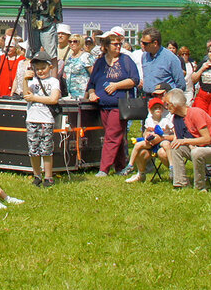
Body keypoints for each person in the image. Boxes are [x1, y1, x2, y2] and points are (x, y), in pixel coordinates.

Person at [85, 33, 140, 177]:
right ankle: (121, 166)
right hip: (103, 105)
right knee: (117, 136)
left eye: (119, 44)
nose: (118, 47)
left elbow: (134, 80)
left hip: (119, 104)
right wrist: (91, 93)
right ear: (106, 46)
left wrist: (116, 85)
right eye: (115, 44)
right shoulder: (100, 62)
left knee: (112, 135)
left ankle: (104, 168)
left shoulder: (125, 60)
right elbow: (92, 83)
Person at [164, 88, 211, 191]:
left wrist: (186, 141)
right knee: (176, 148)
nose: (166, 107)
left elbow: (207, 139)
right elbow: (181, 140)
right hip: (196, 148)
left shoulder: (195, 113)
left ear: (175, 104)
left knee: (197, 152)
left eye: (167, 104)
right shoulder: (177, 118)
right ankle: (180, 183)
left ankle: (200, 187)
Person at [22, 51, 60, 188]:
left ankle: (48, 177)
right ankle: (37, 175)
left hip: (46, 120)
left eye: (43, 68)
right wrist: (25, 79)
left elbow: (53, 99)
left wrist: (35, 98)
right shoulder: (33, 81)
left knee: (46, 149)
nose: (40, 71)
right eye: (37, 69)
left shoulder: (54, 81)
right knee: (33, 149)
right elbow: (26, 94)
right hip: (32, 118)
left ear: (50, 67)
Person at [125, 97, 173, 183]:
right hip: (151, 142)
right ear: (150, 111)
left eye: (159, 107)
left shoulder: (166, 120)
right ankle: (131, 165)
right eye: (155, 108)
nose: (158, 109)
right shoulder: (149, 120)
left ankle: (172, 167)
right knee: (137, 145)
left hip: (162, 141)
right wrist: (146, 136)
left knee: (166, 145)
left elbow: (174, 133)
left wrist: (163, 137)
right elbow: (146, 132)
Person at [139, 27, 184, 97]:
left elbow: (181, 84)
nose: (142, 45)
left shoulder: (171, 58)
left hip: (164, 99)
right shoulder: (144, 56)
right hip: (147, 98)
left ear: (155, 43)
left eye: (145, 43)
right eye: (141, 42)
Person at [61, 34, 93, 100]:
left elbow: (93, 75)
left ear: (80, 42)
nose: (72, 43)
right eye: (70, 41)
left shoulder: (86, 56)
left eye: (75, 41)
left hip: (83, 94)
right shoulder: (70, 57)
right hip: (71, 95)